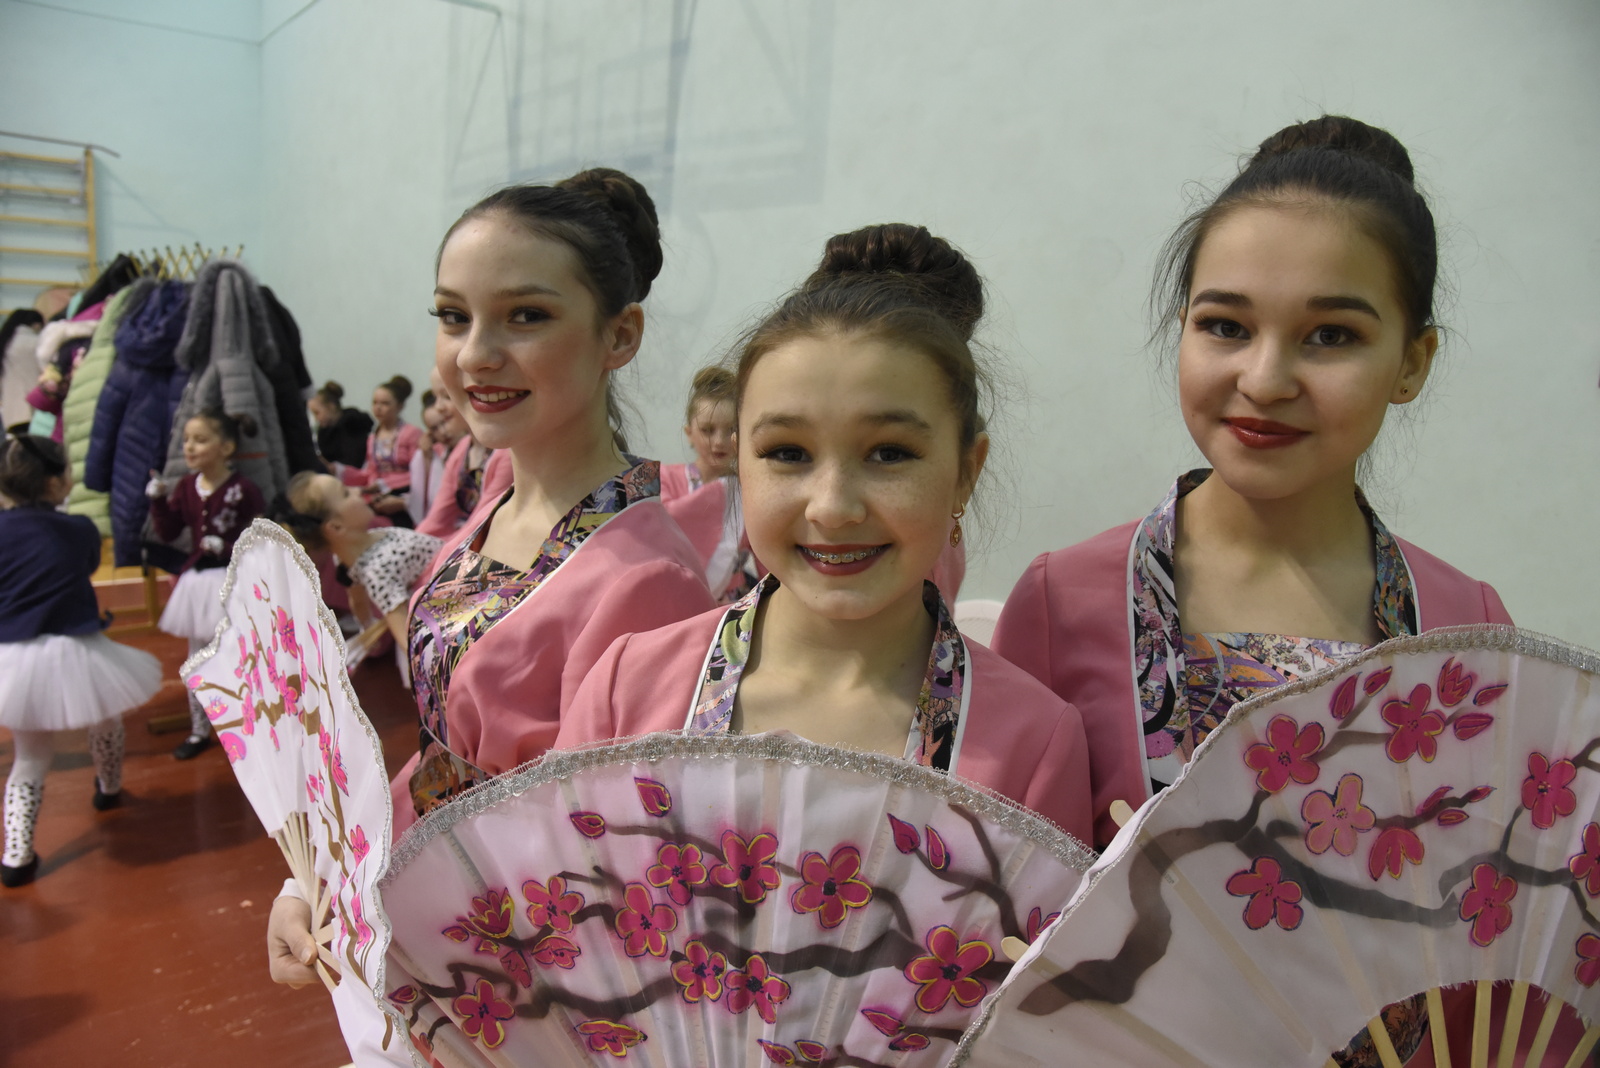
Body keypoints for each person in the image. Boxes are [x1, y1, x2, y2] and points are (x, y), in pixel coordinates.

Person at [990, 115, 1514, 1066]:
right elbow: (1014, 925)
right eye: (1225, 326)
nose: (1265, 379)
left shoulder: (1465, 624)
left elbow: (1489, 928)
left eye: (1331, 335)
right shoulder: (1063, 603)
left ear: (1412, 362)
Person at [266, 168, 715, 1020]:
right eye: (452, 315)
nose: (474, 353)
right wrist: (318, 878)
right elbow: (443, 752)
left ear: (620, 335)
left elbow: (606, 858)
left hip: (512, 981)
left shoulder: (647, 579)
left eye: (527, 316)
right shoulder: (498, 499)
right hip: (412, 905)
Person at [557, 223, 1094, 844]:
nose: (833, 508)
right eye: (787, 453)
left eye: (890, 453)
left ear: (965, 473)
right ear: (740, 464)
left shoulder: (1033, 743)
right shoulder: (628, 688)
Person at [0, 433, 161, 887]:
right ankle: (108, 787)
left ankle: (16, 856)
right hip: (75, 646)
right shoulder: (79, 530)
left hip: (14, 654)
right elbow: (87, 565)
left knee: (30, 757)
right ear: (55, 482)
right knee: (106, 718)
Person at [148, 409, 267, 759]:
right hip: (198, 585)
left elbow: (261, 538)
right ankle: (200, 729)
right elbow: (169, 531)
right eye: (187, 440)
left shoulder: (243, 489)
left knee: (241, 656)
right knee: (197, 659)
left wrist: (228, 547)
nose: (189, 447)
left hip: (234, 581)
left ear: (226, 447)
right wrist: (157, 500)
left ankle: (249, 726)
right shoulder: (187, 486)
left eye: (200, 440)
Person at [273, 471, 442, 649]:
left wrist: (366, 627)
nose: (357, 490)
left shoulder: (348, 560)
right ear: (336, 527)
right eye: (346, 493)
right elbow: (408, 641)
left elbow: (357, 600)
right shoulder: (378, 572)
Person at [658, 365, 761, 602]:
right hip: (672, 598)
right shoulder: (664, 478)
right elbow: (658, 533)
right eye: (707, 430)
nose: (719, 441)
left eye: (731, 430)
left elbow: (768, 558)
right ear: (689, 432)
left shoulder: (751, 491)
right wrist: (722, 493)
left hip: (731, 606)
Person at [352, 375, 421, 526]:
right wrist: (372, 487)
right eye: (375, 403)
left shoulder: (411, 433)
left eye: (385, 403)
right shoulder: (373, 437)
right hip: (379, 495)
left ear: (400, 406)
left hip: (406, 494)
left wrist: (384, 484)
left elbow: (419, 473)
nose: (378, 408)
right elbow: (372, 469)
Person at [307, 380, 372, 470]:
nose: (315, 419)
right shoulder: (324, 431)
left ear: (331, 406)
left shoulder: (352, 425)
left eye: (317, 413)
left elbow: (353, 462)